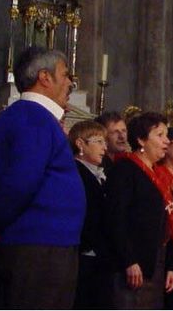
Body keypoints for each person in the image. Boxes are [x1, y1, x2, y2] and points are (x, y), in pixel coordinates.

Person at [0, 47, 84, 308]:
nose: (70, 83)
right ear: (45, 77)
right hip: (37, 247)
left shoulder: (34, 118)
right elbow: (20, 181)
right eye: (65, 75)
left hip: (46, 245)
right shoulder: (32, 117)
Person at [104, 112, 173, 309]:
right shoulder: (125, 170)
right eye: (160, 135)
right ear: (141, 140)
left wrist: (170, 265)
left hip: (156, 260)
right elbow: (116, 218)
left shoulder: (159, 173)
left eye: (166, 135)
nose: (167, 141)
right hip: (132, 263)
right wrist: (129, 260)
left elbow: (165, 220)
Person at [68, 120, 111, 309]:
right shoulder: (75, 173)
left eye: (105, 142)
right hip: (84, 253)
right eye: (99, 142)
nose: (104, 148)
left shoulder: (98, 174)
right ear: (80, 144)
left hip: (97, 254)